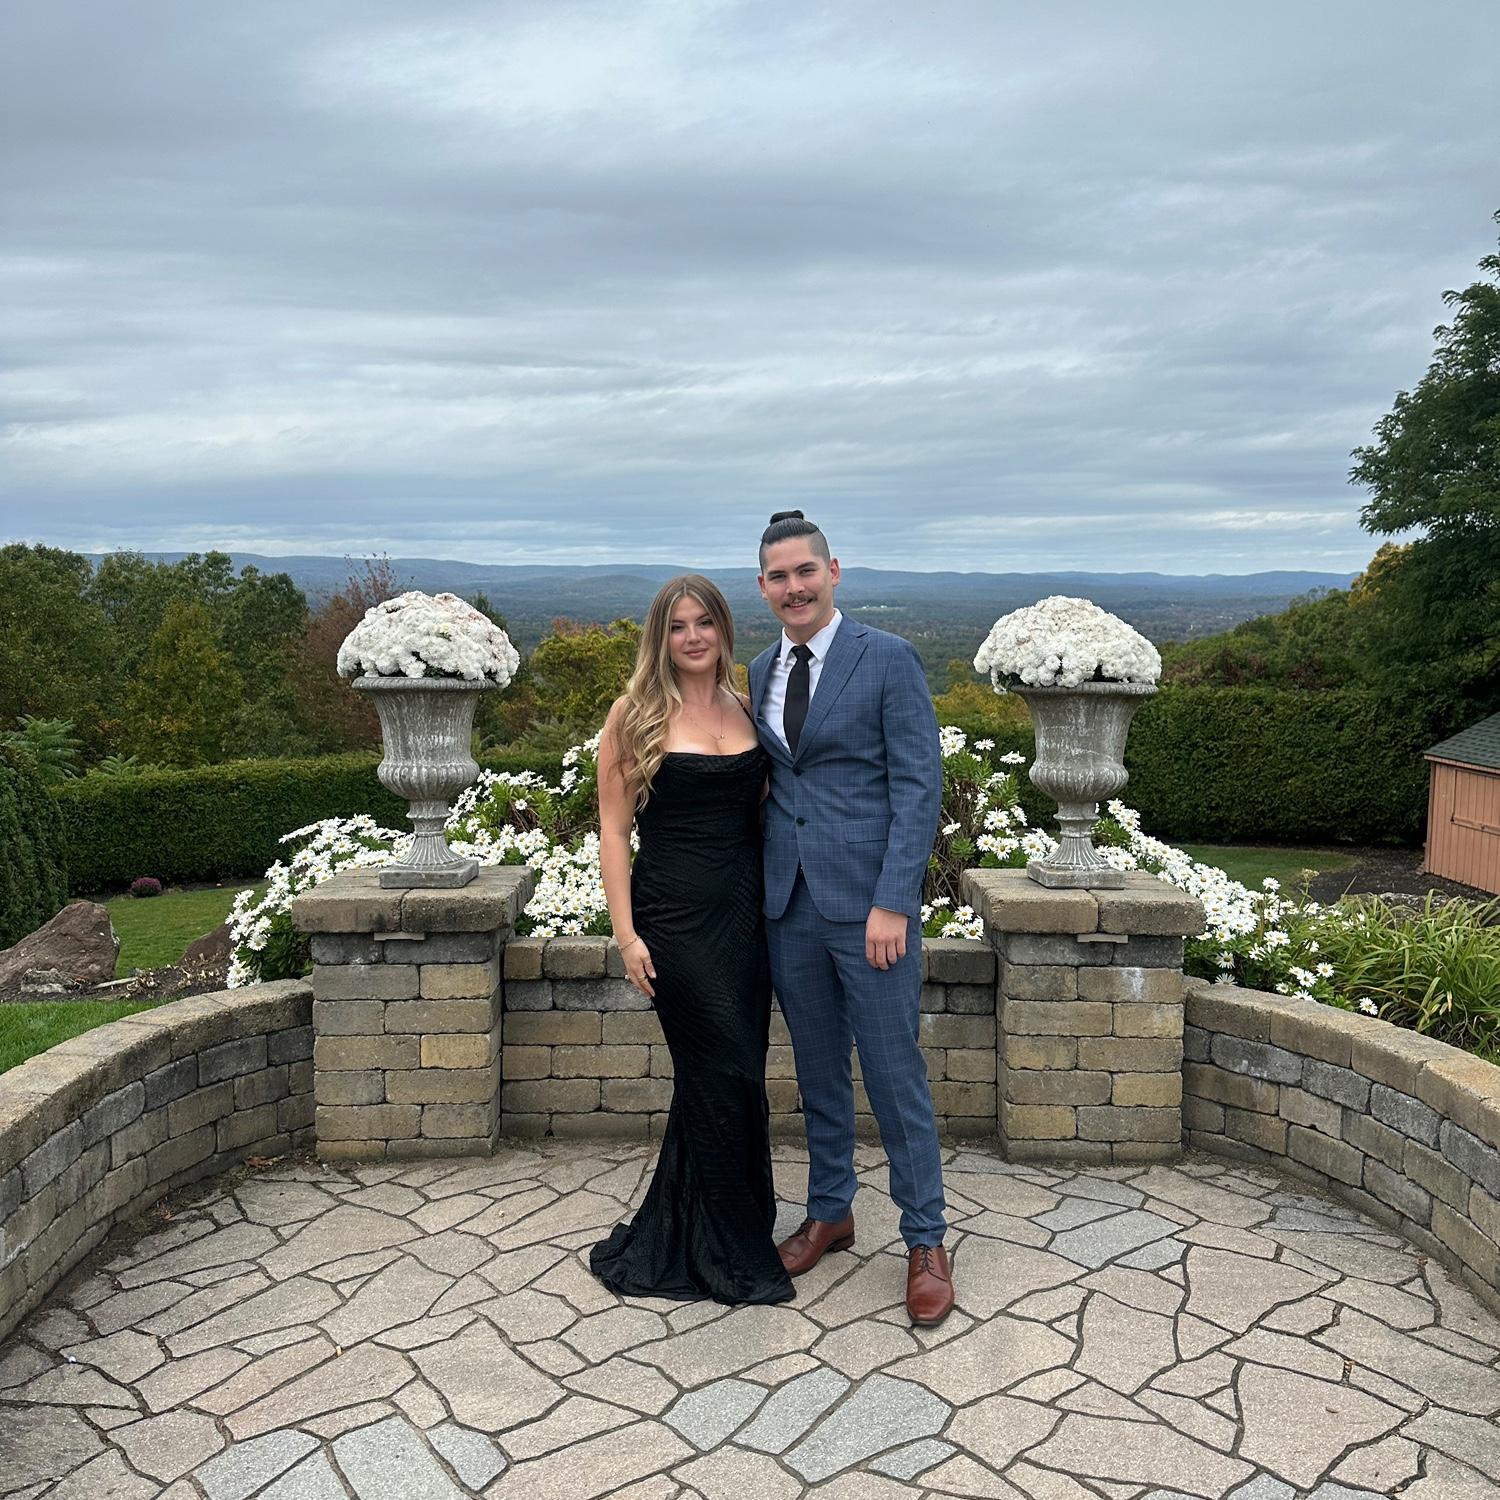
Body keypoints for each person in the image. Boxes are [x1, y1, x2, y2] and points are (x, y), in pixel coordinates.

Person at [749, 512, 954, 1325]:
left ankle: (925, 1238)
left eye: (806, 571)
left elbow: (918, 787)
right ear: (763, 586)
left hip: (872, 912)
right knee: (818, 1071)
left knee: (895, 1075)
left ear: (833, 571)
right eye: (778, 576)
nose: (794, 587)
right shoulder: (760, 669)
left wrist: (894, 901)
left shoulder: (888, 659)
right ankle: (830, 1212)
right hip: (790, 908)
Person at [589, 574, 795, 1305]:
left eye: (704, 622)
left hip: (745, 920)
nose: (693, 637)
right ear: (661, 637)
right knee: (721, 1073)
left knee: (733, 1074)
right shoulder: (634, 714)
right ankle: (731, 1251)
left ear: (723, 629)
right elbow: (613, 830)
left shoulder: (747, 706)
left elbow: (767, 811)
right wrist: (626, 935)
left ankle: (703, 1226)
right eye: (678, 626)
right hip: (673, 922)